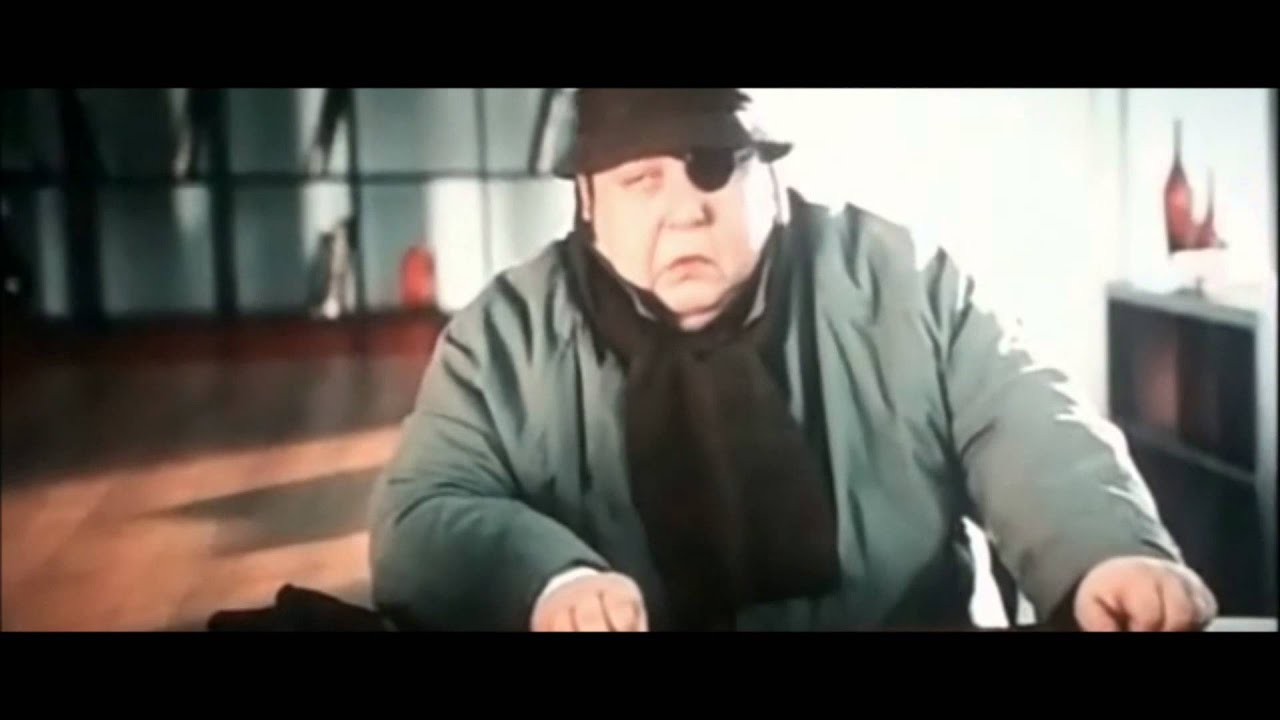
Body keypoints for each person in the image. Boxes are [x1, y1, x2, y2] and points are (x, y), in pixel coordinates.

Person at [368, 88, 1218, 632]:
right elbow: (423, 513)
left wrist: (1104, 554)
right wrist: (547, 583)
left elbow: (1023, 416)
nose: (685, 213)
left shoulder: (903, 282)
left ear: (771, 176)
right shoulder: (504, 337)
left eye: (714, 169)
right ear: (587, 201)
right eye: (641, 181)